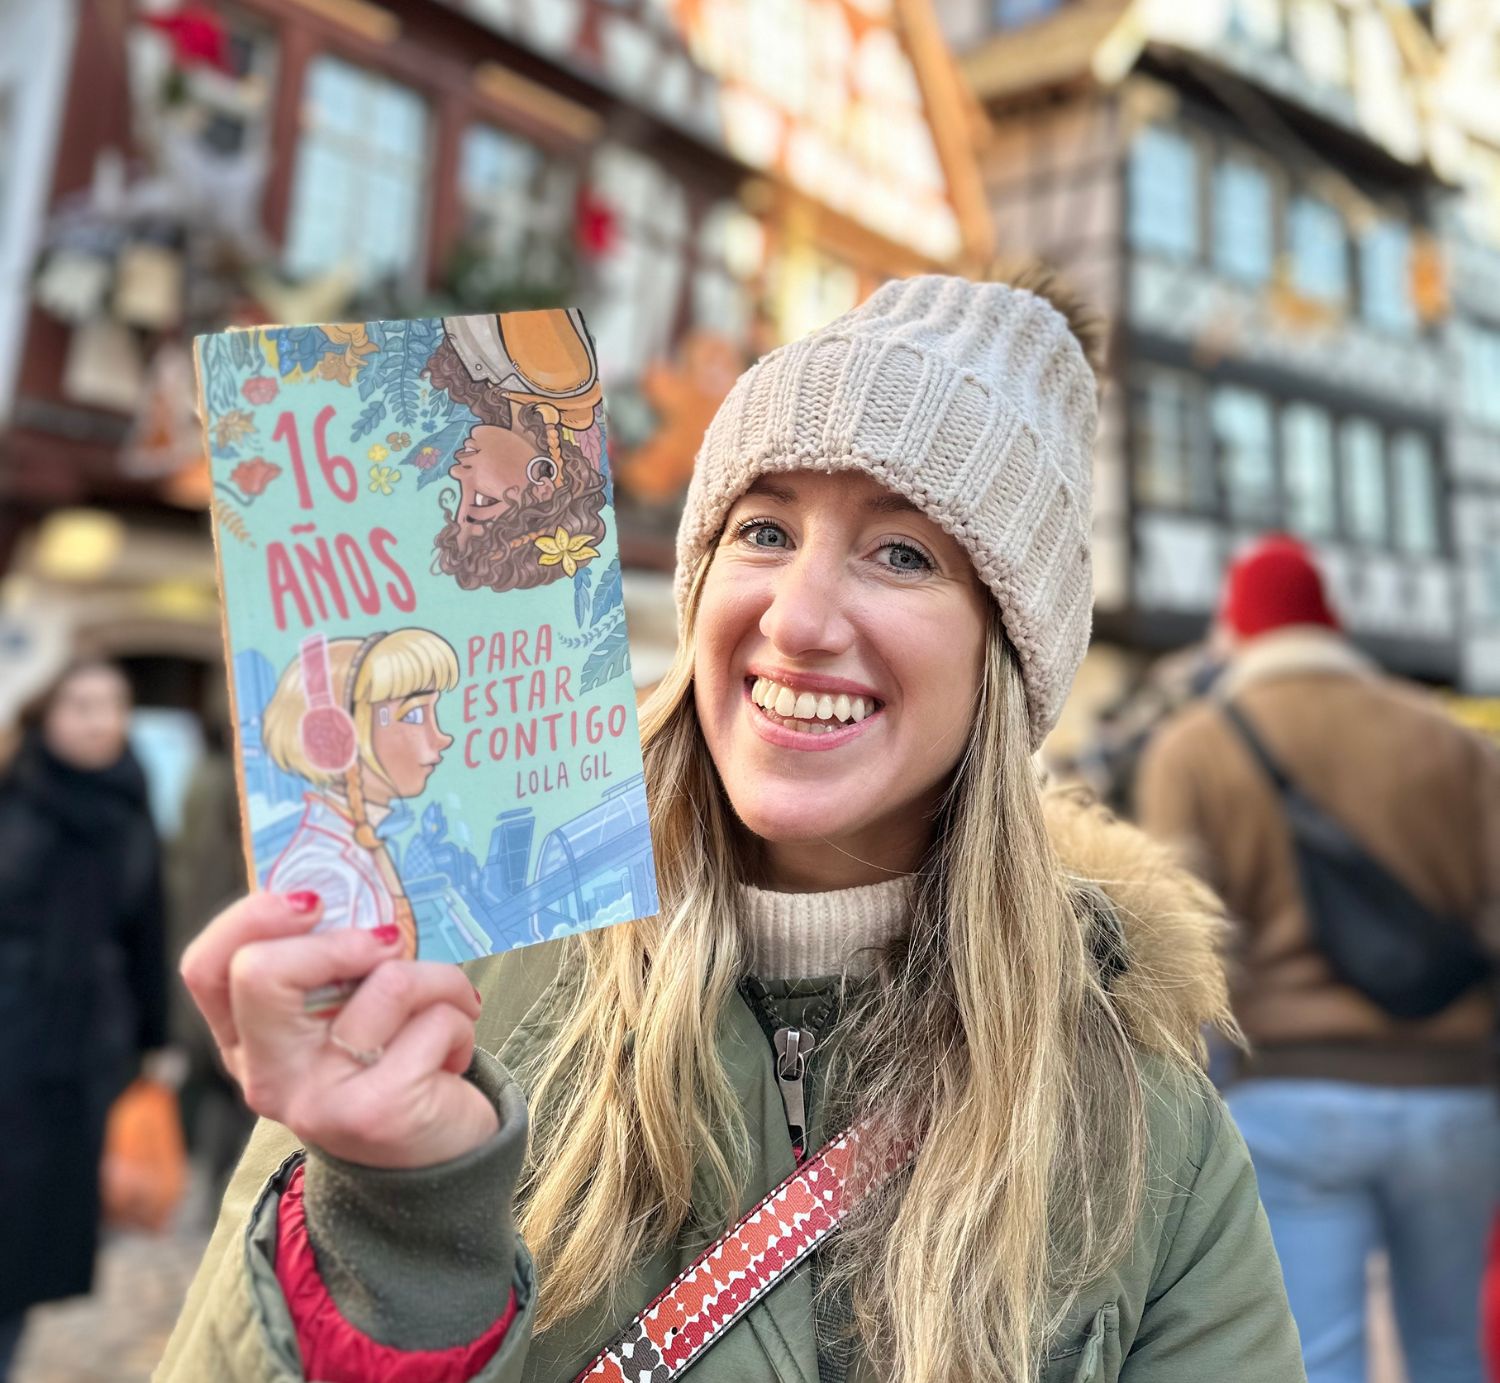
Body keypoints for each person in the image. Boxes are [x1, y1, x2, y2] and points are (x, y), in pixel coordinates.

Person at [160, 274, 1305, 1383]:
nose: (798, 618)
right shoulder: (453, 965)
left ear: (1004, 664)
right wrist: (397, 1226)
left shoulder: (1147, 1132)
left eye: (902, 553)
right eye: (763, 531)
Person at [1135, 534, 1500, 1383]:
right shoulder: (1450, 741)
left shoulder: (1196, 745)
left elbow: (1179, 946)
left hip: (1288, 1091)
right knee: (1451, 1348)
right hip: (1456, 1092)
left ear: (1237, 627)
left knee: (1315, 1355)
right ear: (1328, 620)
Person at [0, 660, 167, 1379]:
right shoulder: (13, 791)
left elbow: (148, 934)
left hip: (77, 1055)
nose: (103, 719)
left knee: (27, 1236)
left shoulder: (130, 805)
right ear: (44, 714)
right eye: (82, 704)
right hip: (7, 1031)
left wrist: (156, 1043)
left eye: (115, 703)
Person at [261, 628, 459, 958]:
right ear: (334, 739)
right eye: (413, 714)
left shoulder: (359, 844)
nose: (441, 737)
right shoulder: (322, 871)